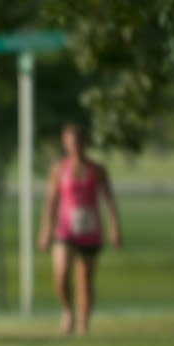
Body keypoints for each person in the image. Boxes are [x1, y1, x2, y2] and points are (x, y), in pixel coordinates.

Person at [37, 123, 122, 335]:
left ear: (84, 143)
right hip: (65, 230)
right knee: (62, 274)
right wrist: (46, 230)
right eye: (70, 142)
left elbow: (109, 200)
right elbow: (51, 201)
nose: (74, 146)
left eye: (78, 142)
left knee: (85, 279)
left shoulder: (98, 170)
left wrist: (114, 227)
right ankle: (68, 310)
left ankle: (84, 321)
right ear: (65, 144)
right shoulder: (59, 169)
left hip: (90, 230)